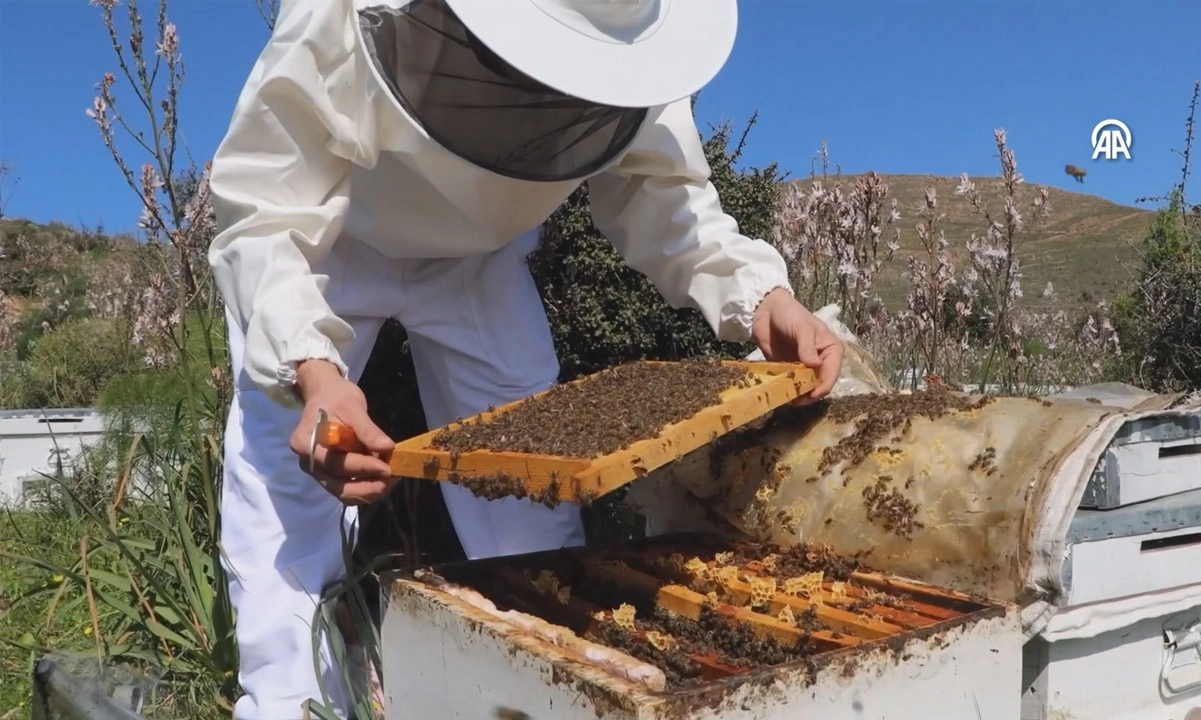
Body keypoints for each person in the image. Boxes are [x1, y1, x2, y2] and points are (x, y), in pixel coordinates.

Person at [207, 0, 844, 716]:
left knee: (528, 491)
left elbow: (662, 190)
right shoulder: (345, 13)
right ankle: (290, 701)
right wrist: (313, 372)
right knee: (287, 475)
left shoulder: (631, 26)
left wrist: (759, 297)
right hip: (331, 235)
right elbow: (263, 208)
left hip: (478, 261)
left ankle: (537, 689)